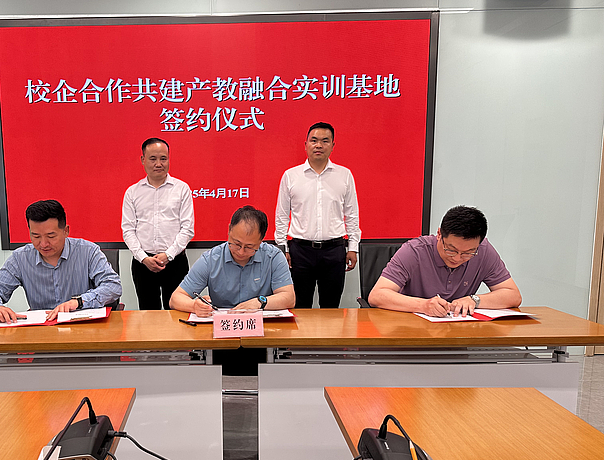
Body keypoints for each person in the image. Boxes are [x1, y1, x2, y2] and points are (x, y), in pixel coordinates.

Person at [0, 199, 122, 323]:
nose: (43, 244)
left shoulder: (88, 251)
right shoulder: (20, 258)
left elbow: (113, 286)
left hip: (83, 328)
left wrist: (79, 302)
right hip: (42, 332)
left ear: (66, 231)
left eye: (51, 236)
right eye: (36, 236)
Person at [368, 205, 522, 317]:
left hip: (458, 337)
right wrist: (423, 305)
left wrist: (475, 300)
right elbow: (377, 295)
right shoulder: (414, 251)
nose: (457, 258)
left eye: (468, 253)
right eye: (451, 250)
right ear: (439, 234)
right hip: (410, 331)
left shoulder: (484, 251)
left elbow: (513, 296)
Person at [275, 121, 360, 309]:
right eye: (314, 140)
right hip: (300, 251)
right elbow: (281, 216)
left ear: (332, 145)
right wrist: (282, 249)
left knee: (331, 308)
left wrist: (353, 247)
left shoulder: (344, 175)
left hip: (334, 251)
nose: (319, 145)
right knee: (299, 307)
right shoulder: (291, 176)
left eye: (325, 141)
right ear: (306, 144)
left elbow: (352, 215)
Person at [170, 206, 294, 316]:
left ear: (261, 240)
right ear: (229, 230)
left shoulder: (273, 257)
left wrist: (259, 303)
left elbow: (289, 298)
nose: (241, 252)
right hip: (222, 326)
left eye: (249, 247)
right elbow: (176, 298)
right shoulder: (211, 259)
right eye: (236, 244)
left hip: (262, 327)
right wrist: (194, 306)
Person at [121, 138, 194, 310]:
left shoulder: (182, 189)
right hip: (143, 264)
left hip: (175, 262)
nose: (159, 164)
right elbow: (128, 230)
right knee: (148, 313)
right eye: (153, 159)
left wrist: (168, 255)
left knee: (177, 312)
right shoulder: (132, 192)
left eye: (163, 158)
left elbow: (187, 229)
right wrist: (143, 258)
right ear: (143, 160)